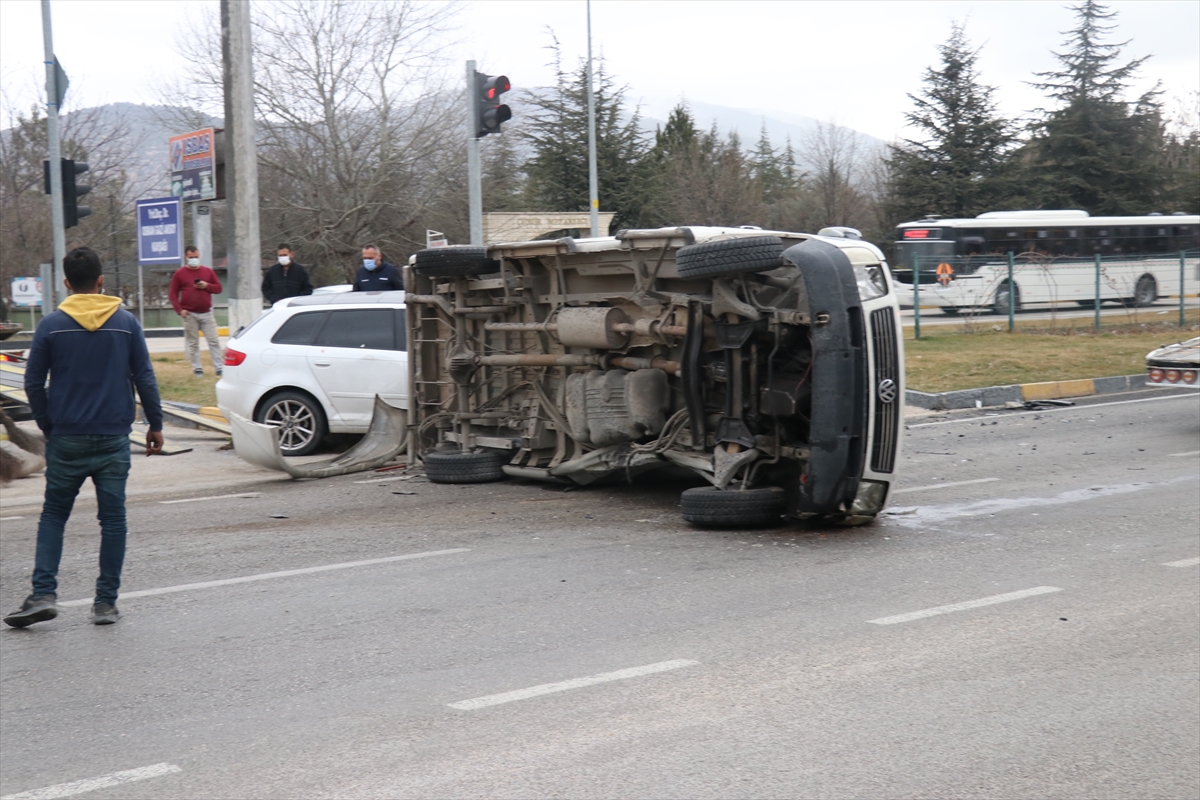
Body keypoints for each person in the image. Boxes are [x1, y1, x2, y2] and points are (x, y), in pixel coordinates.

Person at [4, 247, 164, 628]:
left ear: (65, 283)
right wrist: (155, 425)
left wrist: (48, 426)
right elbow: (144, 376)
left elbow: (32, 383)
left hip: (67, 438)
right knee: (113, 521)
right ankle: (105, 603)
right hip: (112, 439)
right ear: (101, 280)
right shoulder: (126, 324)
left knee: (54, 516)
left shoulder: (50, 325)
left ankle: (43, 593)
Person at [169, 246, 224, 376]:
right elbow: (172, 294)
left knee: (214, 341)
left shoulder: (208, 272)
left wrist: (207, 286)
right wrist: (180, 310)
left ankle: (219, 367)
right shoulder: (179, 273)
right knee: (193, 343)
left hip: (206, 313)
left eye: (196, 257)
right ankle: (197, 368)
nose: (194, 260)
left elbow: (218, 288)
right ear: (186, 257)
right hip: (189, 314)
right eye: (191, 257)